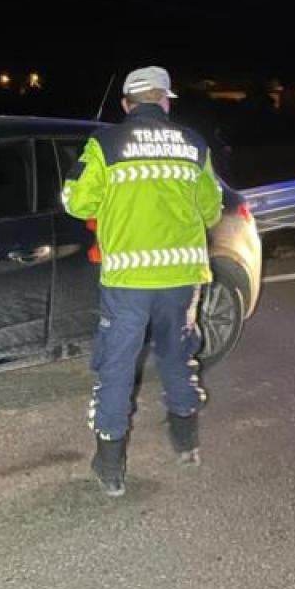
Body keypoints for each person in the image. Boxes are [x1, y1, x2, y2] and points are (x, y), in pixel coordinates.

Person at [62, 65, 223, 497]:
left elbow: (78, 202)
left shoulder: (106, 143)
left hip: (129, 279)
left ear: (125, 104)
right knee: (177, 356)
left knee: (117, 366)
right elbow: (210, 208)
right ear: (166, 101)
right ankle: (186, 444)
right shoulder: (193, 144)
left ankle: (111, 467)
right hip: (183, 277)